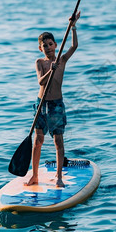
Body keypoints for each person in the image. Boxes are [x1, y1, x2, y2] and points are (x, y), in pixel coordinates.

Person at [26, 11, 81, 188]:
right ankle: (34, 175)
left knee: (58, 141)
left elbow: (74, 46)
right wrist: (51, 69)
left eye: (51, 44)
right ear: (40, 48)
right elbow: (41, 81)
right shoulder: (40, 63)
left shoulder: (62, 60)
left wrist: (73, 27)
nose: (48, 47)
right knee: (38, 141)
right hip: (41, 105)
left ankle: (58, 177)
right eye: (45, 45)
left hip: (56, 105)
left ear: (56, 45)